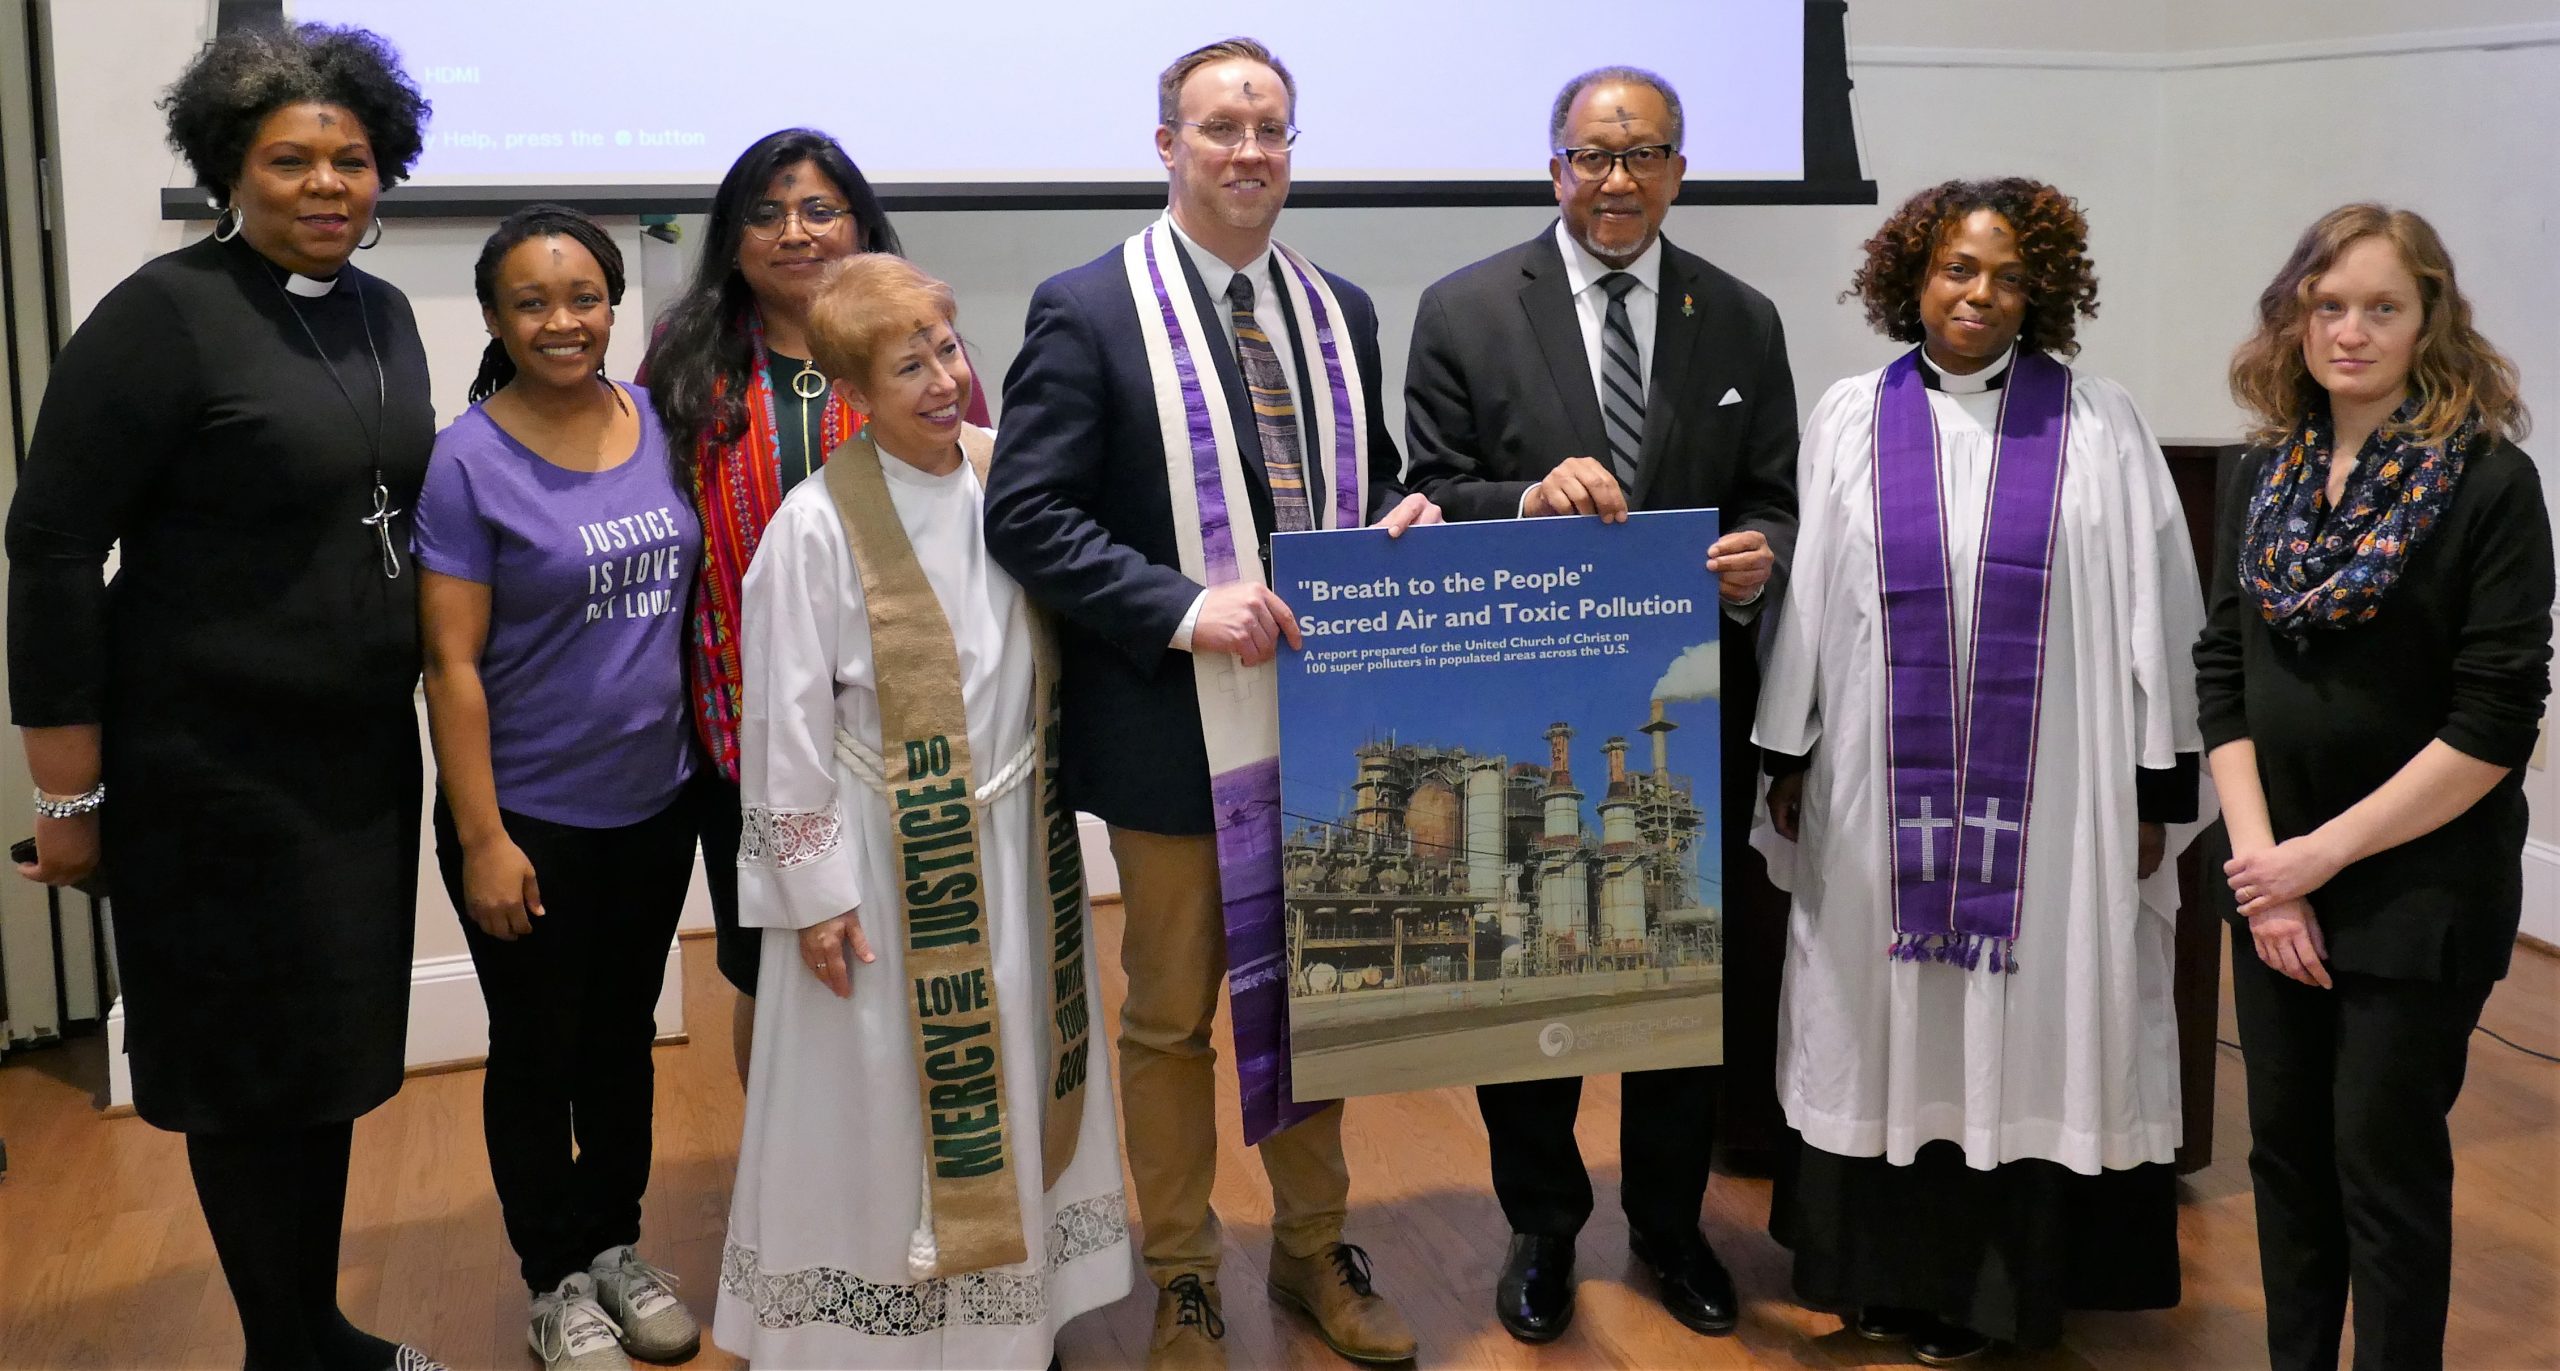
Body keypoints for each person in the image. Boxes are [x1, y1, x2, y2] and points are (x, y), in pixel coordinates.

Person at [983, 37, 1435, 1371]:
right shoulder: (1087, 307)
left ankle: (1312, 1246)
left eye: (1272, 128)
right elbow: (1029, 512)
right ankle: (1182, 1269)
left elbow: (1374, 482)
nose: (1249, 151)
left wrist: (1402, 521)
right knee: (1171, 1014)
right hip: (1173, 730)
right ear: (1167, 143)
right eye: (1221, 127)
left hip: (1328, 723)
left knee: (1326, 990)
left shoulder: (1341, 306)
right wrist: (1188, 607)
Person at [3, 23, 446, 1371]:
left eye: (353, 159)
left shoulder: (378, 311)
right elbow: (52, 546)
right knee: (251, 1074)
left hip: (357, 766)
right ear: (227, 171)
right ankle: (290, 1348)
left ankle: (307, 1330)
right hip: (212, 773)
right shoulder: (163, 316)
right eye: (291, 160)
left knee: (321, 1062)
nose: (327, 185)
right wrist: (69, 796)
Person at [1752, 178, 2206, 1364]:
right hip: (1872, 789)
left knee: (2037, 1014)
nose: (1979, 293)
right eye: (1958, 267)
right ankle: (1883, 1277)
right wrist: (1788, 752)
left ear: (2040, 293)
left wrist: (2159, 788)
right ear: (1912, 275)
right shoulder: (1851, 417)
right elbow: (1809, 606)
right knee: (1880, 1016)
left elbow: (2162, 610)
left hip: (2058, 800)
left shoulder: (2100, 425)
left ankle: (2007, 1291)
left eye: (2008, 276)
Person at [1402, 63, 1797, 1344]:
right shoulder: (1463, 310)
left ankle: (1672, 1228)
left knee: (1679, 965)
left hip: (1693, 696)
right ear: (1553, 167)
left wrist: (1762, 555)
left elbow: (1776, 496)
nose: (1615, 180)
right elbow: (1423, 494)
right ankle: (1544, 1225)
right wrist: (1518, 498)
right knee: (1535, 961)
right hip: (1530, 699)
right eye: (1592, 156)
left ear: (1679, 171)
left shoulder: (1739, 317)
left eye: (1643, 156)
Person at [712, 253, 1134, 1369]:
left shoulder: (1011, 478)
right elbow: (782, 725)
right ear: (853, 391)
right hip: (888, 856)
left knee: (1023, 1059)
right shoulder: (814, 525)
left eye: (948, 348)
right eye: (910, 366)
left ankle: (1011, 1321)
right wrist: (811, 894)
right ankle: (872, 1335)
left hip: (1014, 841)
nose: (946, 380)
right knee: (885, 1088)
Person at [2198, 204, 2549, 1371]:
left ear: (2428, 320)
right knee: (2285, 1163)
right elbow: (2223, 674)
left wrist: (2318, 859)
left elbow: (2494, 723)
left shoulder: (2490, 486)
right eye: (2328, 304)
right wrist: (2266, 876)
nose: (2350, 331)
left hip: (2419, 891)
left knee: (2381, 1168)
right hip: (2274, 889)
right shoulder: (2259, 475)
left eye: (2382, 308)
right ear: (2294, 315)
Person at [414, 205, 704, 1371]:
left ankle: (616, 1248)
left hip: (657, 800)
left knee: (623, 1041)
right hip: (527, 815)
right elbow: (452, 666)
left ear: (614, 305)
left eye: (581, 297)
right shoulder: (466, 459)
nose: (561, 321)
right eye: (531, 303)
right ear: (495, 318)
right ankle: (553, 1279)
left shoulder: (659, 424)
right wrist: (482, 836)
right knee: (538, 1049)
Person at [641, 128, 987, 1085]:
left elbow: (976, 520)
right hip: (746, 722)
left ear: (861, 224)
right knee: (776, 969)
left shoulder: (922, 344)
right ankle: (789, 1187)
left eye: (820, 209)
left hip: (913, 725)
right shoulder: (686, 356)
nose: (794, 232)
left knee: (913, 950)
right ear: (734, 237)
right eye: (766, 212)